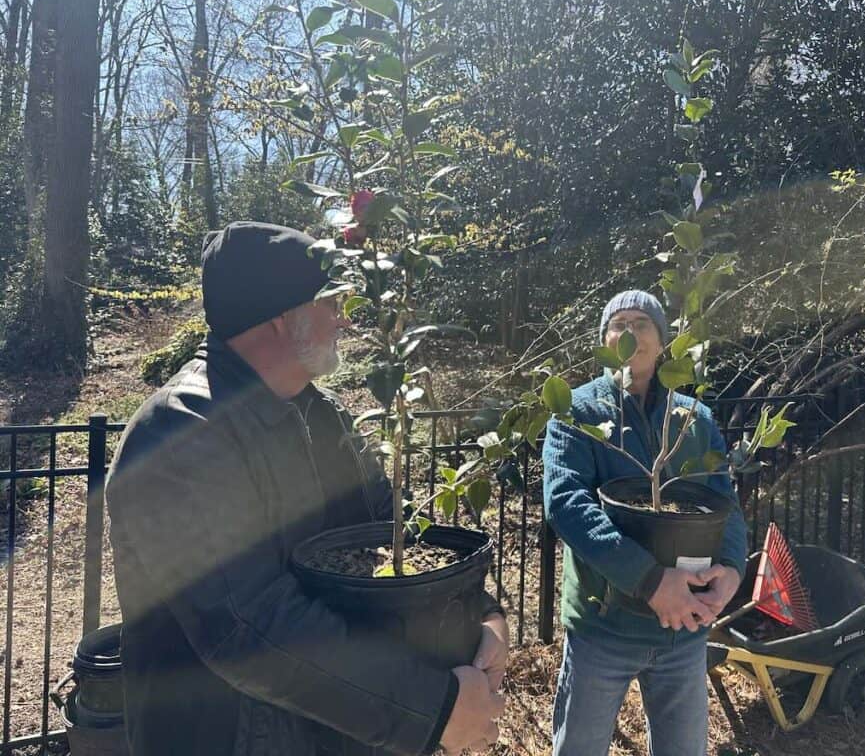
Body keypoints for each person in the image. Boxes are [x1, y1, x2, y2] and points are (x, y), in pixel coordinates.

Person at [105, 221, 507, 756]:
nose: (343, 317)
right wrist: (431, 710)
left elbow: (401, 533)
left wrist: (482, 611)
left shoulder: (326, 417)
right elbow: (248, 626)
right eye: (330, 301)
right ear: (277, 318)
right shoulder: (180, 433)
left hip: (338, 735)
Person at [542, 289, 747, 756]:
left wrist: (732, 571)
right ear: (604, 340)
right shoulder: (577, 413)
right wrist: (651, 580)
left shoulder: (694, 419)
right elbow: (567, 504)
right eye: (620, 324)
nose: (630, 332)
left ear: (662, 342)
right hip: (605, 628)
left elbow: (724, 503)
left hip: (685, 630)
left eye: (642, 324)